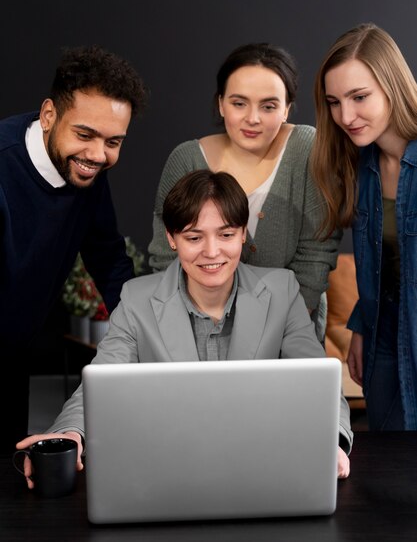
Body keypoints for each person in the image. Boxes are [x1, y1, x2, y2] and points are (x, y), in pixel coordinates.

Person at [17, 170, 352, 480]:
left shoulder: (283, 290)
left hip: (260, 465)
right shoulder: (136, 299)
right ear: (172, 238)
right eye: (194, 237)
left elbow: (321, 383)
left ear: (242, 233)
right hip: (166, 469)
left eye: (226, 234)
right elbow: (98, 382)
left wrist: (331, 440)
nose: (212, 252)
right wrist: (70, 432)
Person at [0, 45, 147, 454]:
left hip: (14, 358)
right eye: (85, 134)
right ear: (49, 115)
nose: (98, 155)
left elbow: (110, 262)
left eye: (113, 141)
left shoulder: (87, 174)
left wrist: (145, 337)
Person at [148, 42, 340, 341]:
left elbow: (316, 253)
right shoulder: (186, 158)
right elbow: (165, 257)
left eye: (269, 105)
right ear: (221, 103)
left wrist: (278, 328)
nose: (253, 118)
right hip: (198, 330)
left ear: (287, 108)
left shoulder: (307, 149)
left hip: (291, 326)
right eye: (239, 103)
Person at [311, 22, 417, 431]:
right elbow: (390, 264)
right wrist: (361, 322)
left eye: (359, 97)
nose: (345, 116)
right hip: (382, 337)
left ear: (392, 85)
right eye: (334, 102)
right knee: (388, 475)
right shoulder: (361, 166)